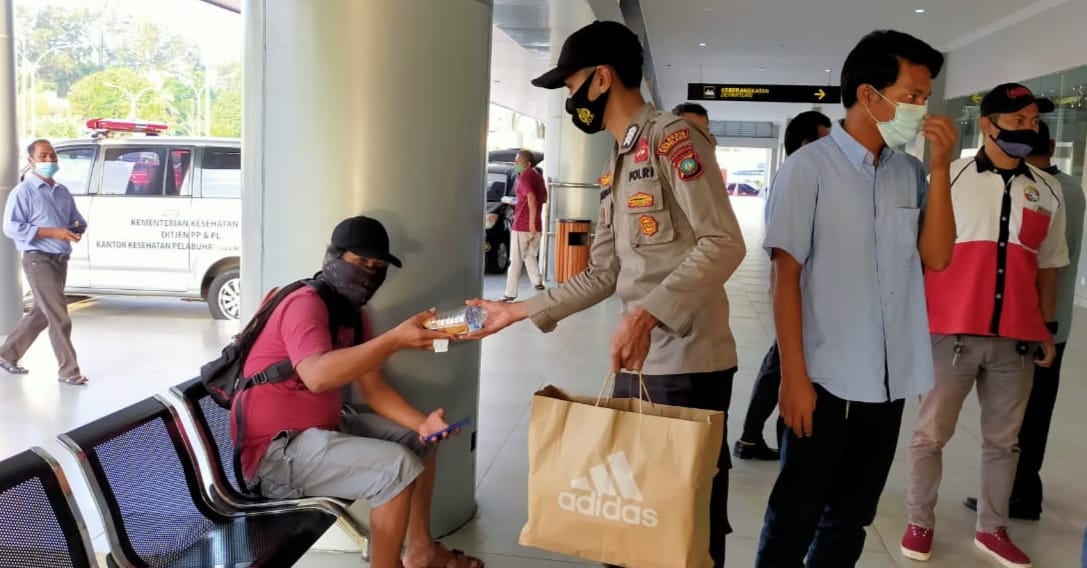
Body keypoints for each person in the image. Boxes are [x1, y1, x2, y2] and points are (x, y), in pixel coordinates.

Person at [469, 20, 746, 568]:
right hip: (639, 360)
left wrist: (646, 316)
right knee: (632, 518)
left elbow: (723, 242)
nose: (570, 100)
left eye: (571, 85)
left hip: (687, 362)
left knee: (681, 523)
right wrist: (516, 310)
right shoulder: (617, 161)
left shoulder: (672, 139)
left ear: (601, 78)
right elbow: (603, 273)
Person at [756, 30, 957, 568]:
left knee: (851, 516)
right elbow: (785, 278)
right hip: (824, 380)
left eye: (924, 97)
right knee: (795, 514)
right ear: (869, 95)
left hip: (886, 383)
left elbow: (937, 256)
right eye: (912, 96)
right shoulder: (809, 169)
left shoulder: (910, 172)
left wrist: (940, 170)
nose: (921, 109)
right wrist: (793, 378)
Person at [232, 215, 483, 568]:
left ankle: (421, 550)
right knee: (397, 469)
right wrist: (394, 340)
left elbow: (374, 389)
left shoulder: (352, 315)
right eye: (360, 261)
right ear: (333, 257)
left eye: (378, 266)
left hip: (320, 432)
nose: (369, 273)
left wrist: (422, 424)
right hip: (275, 452)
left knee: (419, 443)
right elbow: (317, 376)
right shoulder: (305, 304)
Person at [902, 84, 1068, 568]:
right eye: (1017, 121)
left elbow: (1048, 264)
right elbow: (917, 254)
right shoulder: (947, 177)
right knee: (930, 435)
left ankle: (992, 528)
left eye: (1033, 121)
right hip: (948, 331)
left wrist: (1046, 326)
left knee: (1004, 442)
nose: (1028, 129)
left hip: (1016, 339)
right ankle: (919, 521)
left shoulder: (1048, 189)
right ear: (988, 125)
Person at [961, 120, 1085, 522]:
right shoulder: (1071, 188)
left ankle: (1019, 492)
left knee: (1020, 415)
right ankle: (1021, 490)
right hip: (1050, 321)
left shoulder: (1047, 190)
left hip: (1034, 322)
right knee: (1032, 411)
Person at [734, 110, 832, 461]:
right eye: (825, 142)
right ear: (806, 145)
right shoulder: (796, 178)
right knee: (781, 362)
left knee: (778, 360)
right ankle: (750, 436)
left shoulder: (801, 176)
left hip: (805, 294)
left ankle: (750, 437)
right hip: (797, 293)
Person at [0, 139, 88, 385]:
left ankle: (7, 353)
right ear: (31, 161)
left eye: (52, 156)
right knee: (59, 316)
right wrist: (53, 232)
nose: (49, 160)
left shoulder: (61, 191)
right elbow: (11, 227)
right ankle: (69, 371)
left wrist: (75, 229)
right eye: (43, 156)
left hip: (60, 260)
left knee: (41, 312)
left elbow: (76, 220)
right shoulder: (23, 192)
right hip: (38, 260)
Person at [502, 149, 548, 301]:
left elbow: (531, 197)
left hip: (523, 225)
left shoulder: (525, 176)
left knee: (515, 260)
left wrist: (531, 222)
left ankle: (510, 293)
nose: (515, 164)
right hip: (536, 225)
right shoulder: (538, 176)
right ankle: (537, 282)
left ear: (528, 164)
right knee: (530, 255)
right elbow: (544, 197)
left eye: (518, 161)